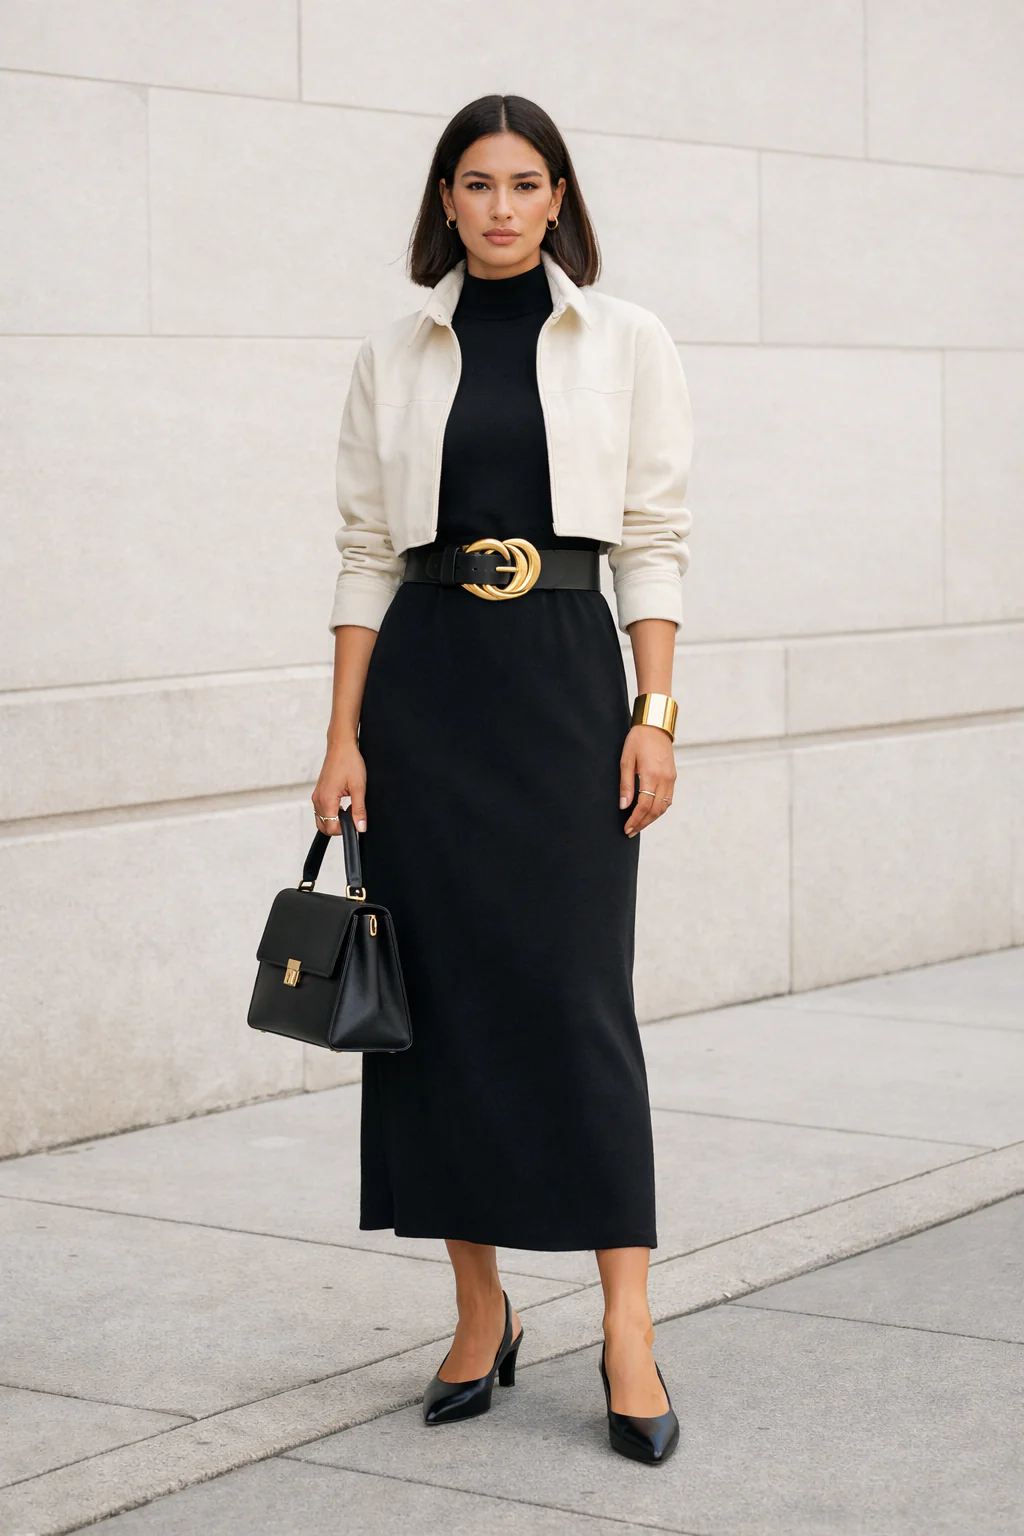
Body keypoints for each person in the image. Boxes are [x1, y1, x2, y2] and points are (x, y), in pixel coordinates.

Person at [313, 93, 693, 1465]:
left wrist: (652, 712)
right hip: (424, 695)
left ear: (560, 197)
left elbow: (654, 535)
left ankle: (628, 1325)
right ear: (445, 197)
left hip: (562, 683)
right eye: (475, 182)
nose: (500, 206)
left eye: (526, 182)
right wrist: (343, 734)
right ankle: (480, 1311)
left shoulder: (625, 338)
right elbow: (364, 548)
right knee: (441, 1006)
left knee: (578, 999)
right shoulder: (396, 351)